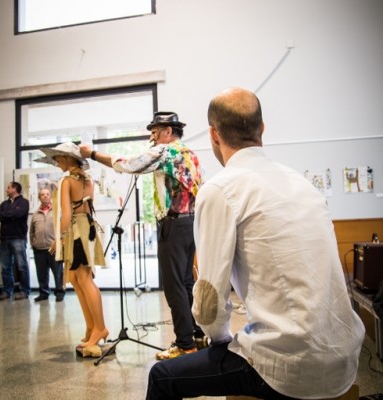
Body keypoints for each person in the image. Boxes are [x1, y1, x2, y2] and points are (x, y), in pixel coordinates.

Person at [145, 88, 366, 400]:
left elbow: (209, 308)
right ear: (262, 128)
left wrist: (220, 338)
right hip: (344, 358)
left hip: (289, 367)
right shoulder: (303, 183)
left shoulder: (221, 189)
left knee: (161, 377)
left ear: (213, 134)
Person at [79, 111, 206, 359]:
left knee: (174, 286)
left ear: (168, 131)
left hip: (173, 225)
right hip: (191, 224)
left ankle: (184, 344)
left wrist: (92, 154)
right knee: (187, 283)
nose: (152, 137)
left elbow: (128, 164)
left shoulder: (165, 152)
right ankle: (197, 335)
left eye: (155, 131)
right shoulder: (190, 154)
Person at [35, 142, 108, 349]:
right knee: (76, 278)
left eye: (58, 158)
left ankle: (100, 327)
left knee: (83, 279)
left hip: (76, 231)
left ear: (68, 158)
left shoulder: (67, 181)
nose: (56, 162)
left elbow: (66, 215)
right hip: (86, 228)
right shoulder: (87, 180)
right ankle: (91, 326)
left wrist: (59, 239)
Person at [0, 181, 31, 301]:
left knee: (22, 266)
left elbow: (19, 214)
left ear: (15, 189)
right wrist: (12, 214)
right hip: (4, 239)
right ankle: (7, 291)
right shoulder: (4, 203)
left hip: (18, 238)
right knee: (5, 267)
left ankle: (24, 291)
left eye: (9, 187)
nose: (7, 189)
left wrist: (6, 214)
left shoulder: (24, 202)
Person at [29, 188, 65, 302]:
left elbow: (63, 228)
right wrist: (33, 244)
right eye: (42, 194)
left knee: (58, 273)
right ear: (39, 198)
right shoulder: (35, 214)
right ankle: (43, 293)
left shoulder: (57, 212)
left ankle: (60, 292)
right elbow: (31, 232)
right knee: (41, 274)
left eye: (47, 194)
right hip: (39, 249)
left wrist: (60, 243)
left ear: (50, 197)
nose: (45, 196)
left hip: (54, 248)